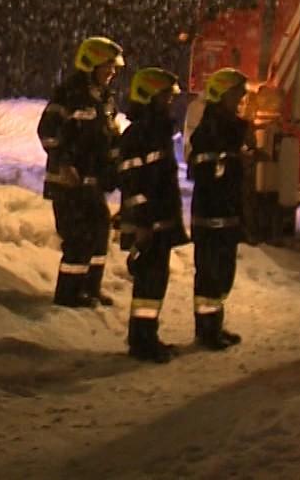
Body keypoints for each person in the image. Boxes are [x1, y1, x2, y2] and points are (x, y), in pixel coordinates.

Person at [37, 36, 124, 308]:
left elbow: (106, 137)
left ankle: (90, 289)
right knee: (78, 238)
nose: (112, 72)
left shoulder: (106, 99)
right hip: (68, 182)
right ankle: (68, 295)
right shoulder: (69, 94)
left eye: (113, 67)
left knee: (99, 231)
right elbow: (48, 132)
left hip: (92, 182)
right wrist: (64, 163)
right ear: (90, 64)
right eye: (106, 66)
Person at [116, 67, 188, 363]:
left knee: (155, 281)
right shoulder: (139, 135)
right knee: (148, 283)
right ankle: (141, 342)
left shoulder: (156, 132)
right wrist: (144, 223)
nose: (169, 103)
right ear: (148, 97)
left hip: (158, 222)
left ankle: (147, 336)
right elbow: (135, 183)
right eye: (164, 98)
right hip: (149, 223)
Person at [188, 68, 251, 350]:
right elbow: (204, 171)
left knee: (222, 273)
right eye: (237, 93)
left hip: (224, 214)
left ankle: (214, 325)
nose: (241, 98)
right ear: (223, 94)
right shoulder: (211, 129)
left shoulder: (228, 127)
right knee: (210, 275)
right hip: (211, 216)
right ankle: (206, 331)